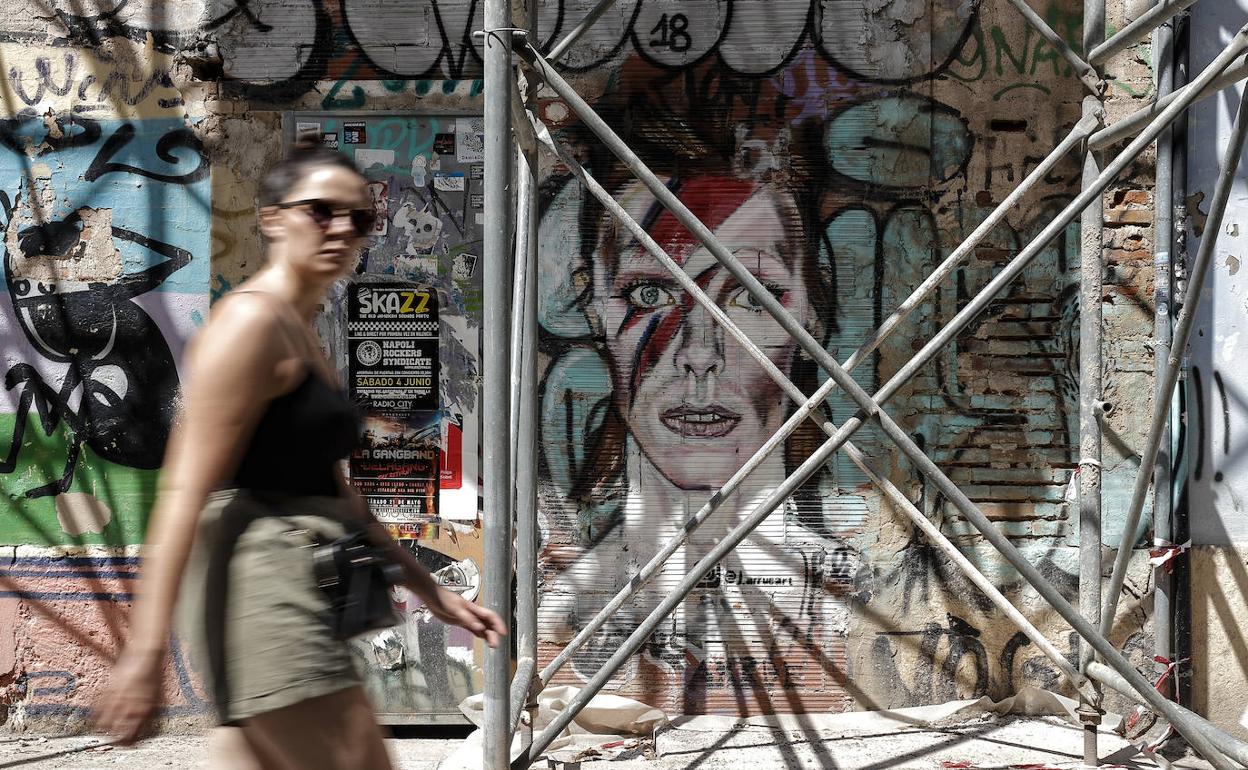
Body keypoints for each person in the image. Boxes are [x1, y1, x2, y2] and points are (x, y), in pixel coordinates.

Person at [92, 137, 505, 768]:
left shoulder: (299, 331)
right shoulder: (250, 324)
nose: (342, 228)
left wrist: (432, 589)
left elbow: (336, 491)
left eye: (360, 217)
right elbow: (183, 493)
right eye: (320, 211)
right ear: (274, 218)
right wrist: (145, 652)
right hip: (260, 588)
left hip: (290, 579)